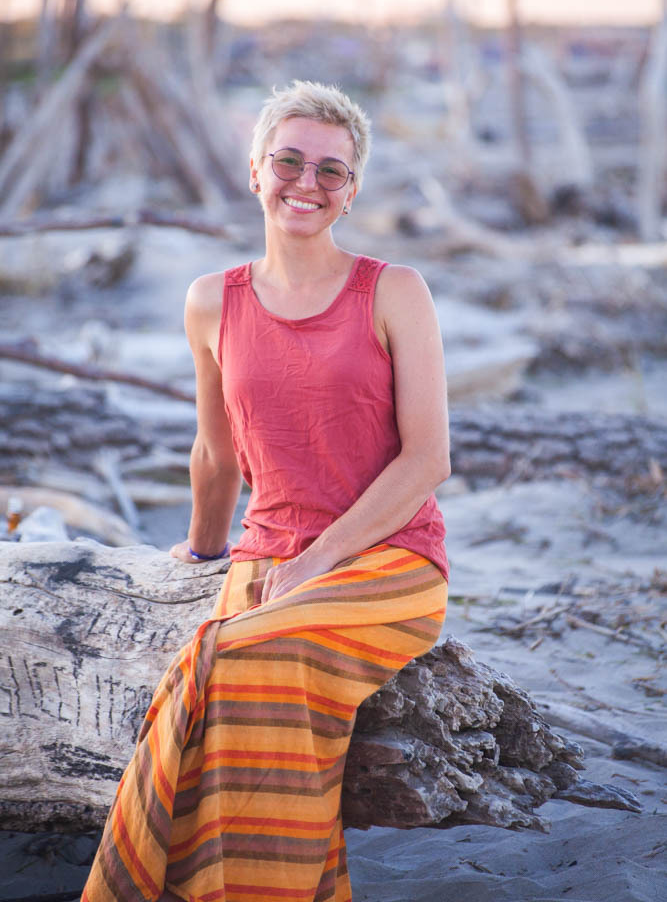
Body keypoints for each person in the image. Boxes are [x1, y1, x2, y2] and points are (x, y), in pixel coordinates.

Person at [82, 80, 450, 902]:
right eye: (288, 161)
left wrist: (319, 559)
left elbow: (426, 459)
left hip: (389, 562)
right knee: (220, 662)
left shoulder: (394, 291)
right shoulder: (212, 300)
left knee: (243, 652)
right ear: (255, 172)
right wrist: (204, 550)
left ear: (350, 191)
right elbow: (215, 450)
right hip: (264, 556)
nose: (307, 184)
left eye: (331, 171)